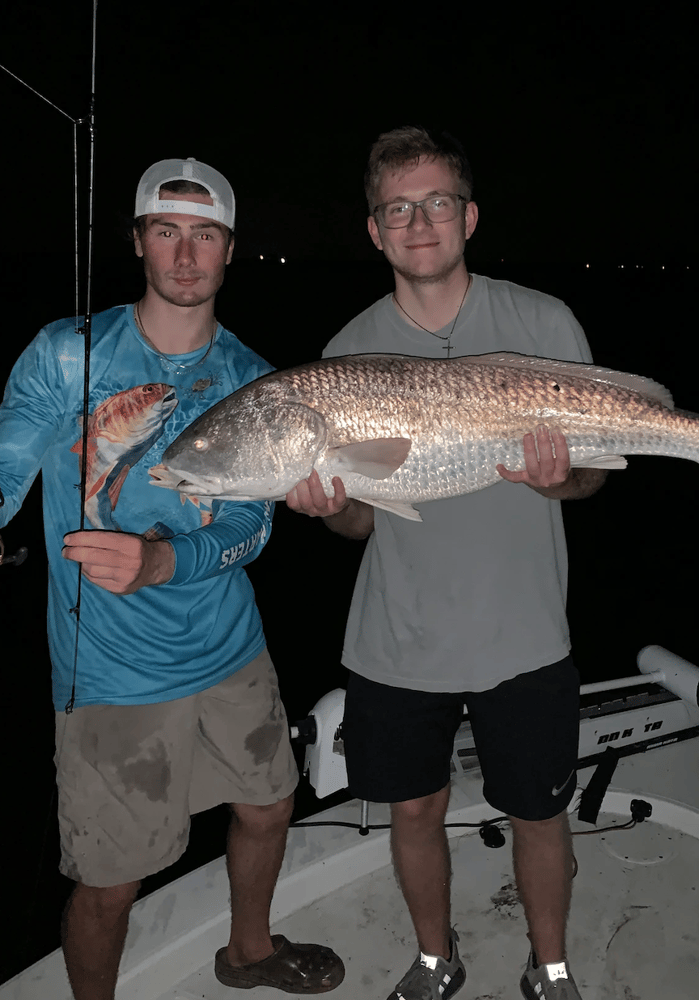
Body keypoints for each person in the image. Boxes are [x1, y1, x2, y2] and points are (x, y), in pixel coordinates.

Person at [0, 157, 344, 999]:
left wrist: (163, 559)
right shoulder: (65, 355)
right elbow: (5, 471)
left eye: (205, 235)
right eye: (166, 231)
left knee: (268, 805)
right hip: (112, 673)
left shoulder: (256, 382)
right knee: (111, 882)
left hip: (230, 647)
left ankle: (248, 950)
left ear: (229, 251)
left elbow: (248, 526)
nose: (185, 255)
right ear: (139, 243)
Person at [287, 127, 607, 1000]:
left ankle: (550, 967)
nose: (417, 222)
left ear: (467, 216)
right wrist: (326, 504)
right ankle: (436, 959)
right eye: (397, 208)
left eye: (435, 203)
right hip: (398, 637)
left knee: (540, 813)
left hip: (524, 632)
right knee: (413, 810)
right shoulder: (343, 356)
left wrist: (559, 475)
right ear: (374, 231)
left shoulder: (541, 322)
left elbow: (588, 479)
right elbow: (358, 524)